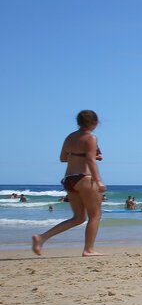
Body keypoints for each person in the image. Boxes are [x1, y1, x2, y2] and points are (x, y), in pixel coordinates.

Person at [32, 110, 106, 256]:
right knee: (95, 215)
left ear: (78, 122)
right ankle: (88, 249)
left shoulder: (70, 137)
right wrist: (99, 181)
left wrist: (85, 155)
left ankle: (42, 238)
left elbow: (63, 158)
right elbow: (90, 161)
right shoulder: (91, 138)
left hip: (69, 179)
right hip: (84, 178)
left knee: (78, 218)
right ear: (95, 122)